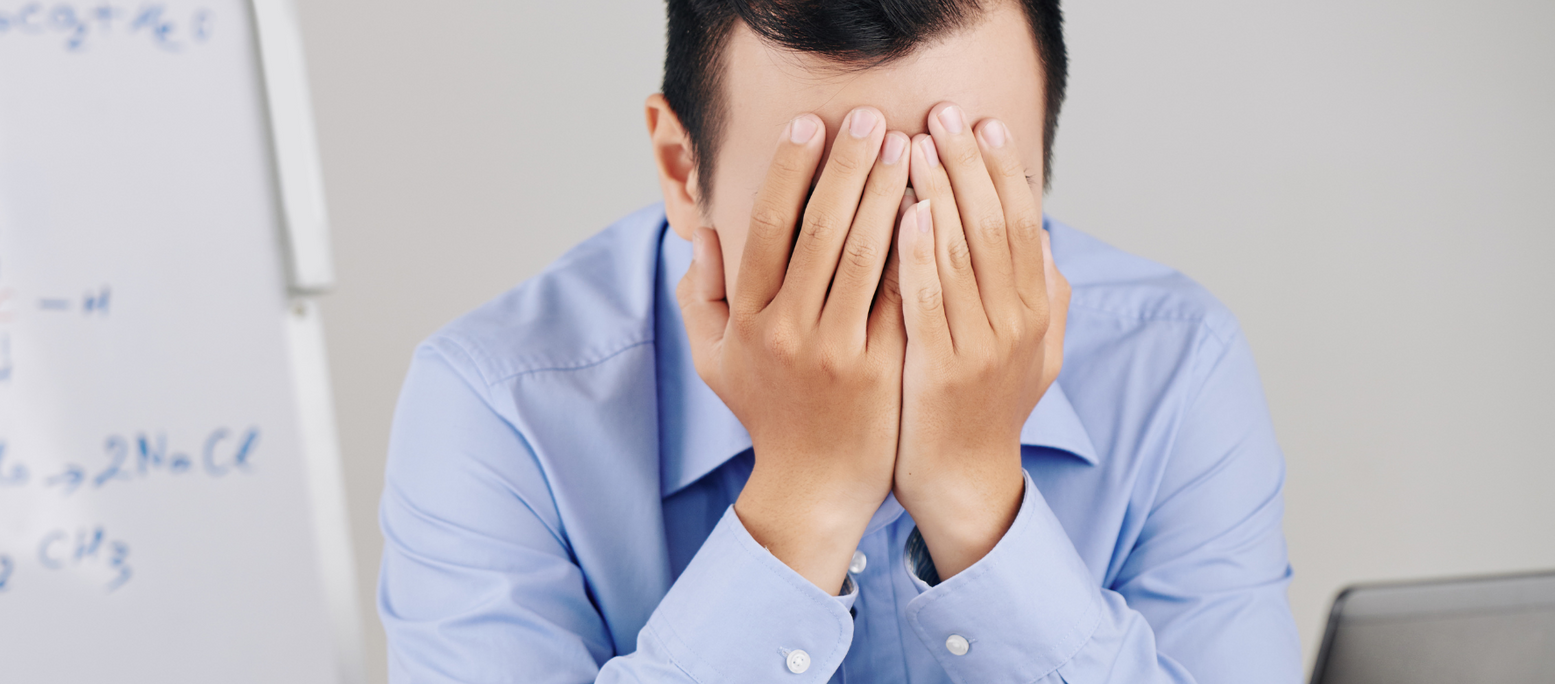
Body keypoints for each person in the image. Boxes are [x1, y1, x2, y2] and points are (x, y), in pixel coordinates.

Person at [377, 0, 1301, 681]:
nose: (895, 261)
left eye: (965, 189)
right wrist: (805, 496)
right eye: (825, 203)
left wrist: (977, 495)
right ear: (681, 169)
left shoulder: (1175, 365)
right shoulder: (498, 402)